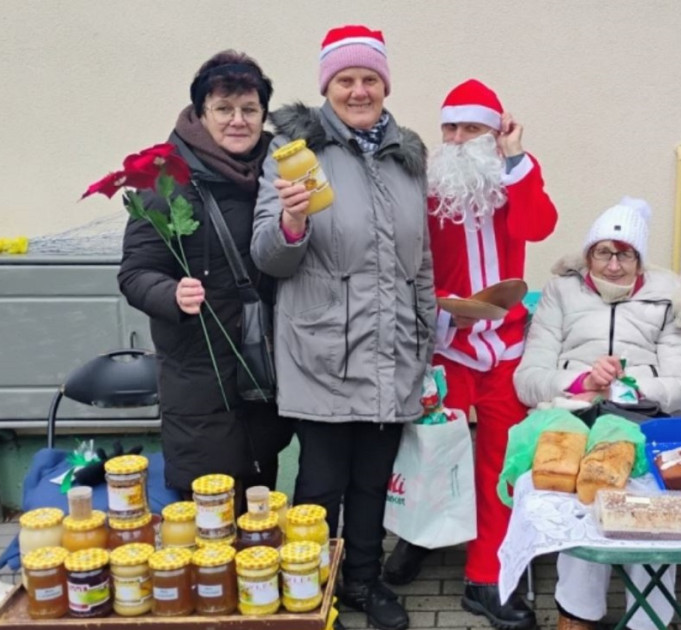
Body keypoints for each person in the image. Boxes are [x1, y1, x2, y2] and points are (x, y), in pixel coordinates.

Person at [250, 25, 433, 630]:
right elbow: (268, 256)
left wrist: (425, 337)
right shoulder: (295, 152)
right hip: (324, 348)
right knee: (322, 481)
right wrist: (293, 225)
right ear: (327, 86)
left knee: (373, 482)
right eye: (346, 80)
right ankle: (310, 585)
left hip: (391, 350)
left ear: (385, 86)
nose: (359, 91)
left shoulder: (407, 157)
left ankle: (362, 582)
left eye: (370, 79)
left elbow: (420, 260)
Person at [382, 79, 557, 630]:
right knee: (429, 452)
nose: (457, 140)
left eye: (472, 128)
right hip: (447, 344)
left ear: (494, 133)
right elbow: (406, 261)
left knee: (501, 461)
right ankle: (418, 538)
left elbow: (539, 226)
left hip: (506, 347)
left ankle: (486, 576)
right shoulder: (427, 186)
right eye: (450, 128)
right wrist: (438, 311)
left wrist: (517, 159)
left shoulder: (515, 179)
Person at [514, 197, 681, 630]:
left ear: (639, 259)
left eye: (625, 254)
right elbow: (527, 379)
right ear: (588, 255)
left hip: (645, 423)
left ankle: (651, 619)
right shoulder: (561, 294)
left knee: (654, 512)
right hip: (575, 422)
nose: (614, 265)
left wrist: (628, 386)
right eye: (604, 252)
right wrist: (582, 383)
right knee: (582, 503)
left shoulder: (667, 300)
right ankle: (577, 616)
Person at [118, 50, 294, 506]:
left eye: (249, 109)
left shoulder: (275, 174)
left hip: (261, 376)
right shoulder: (165, 180)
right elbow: (135, 272)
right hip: (199, 382)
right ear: (200, 113)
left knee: (258, 503)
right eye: (223, 109)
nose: (238, 121)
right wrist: (171, 293)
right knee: (209, 517)